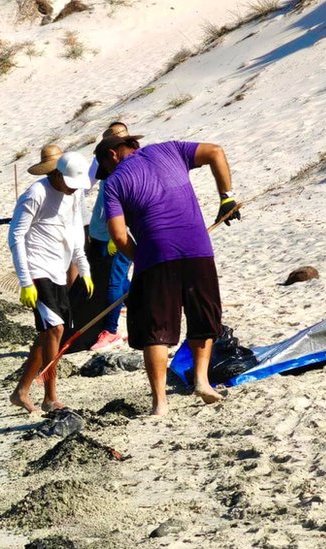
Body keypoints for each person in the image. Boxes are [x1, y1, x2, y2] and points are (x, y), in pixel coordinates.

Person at [95, 134, 241, 416]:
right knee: (204, 318)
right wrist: (227, 198)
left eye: (106, 166)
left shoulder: (113, 183)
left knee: (155, 331)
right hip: (197, 248)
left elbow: (117, 234)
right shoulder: (171, 149)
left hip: (156, 257)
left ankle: (160, 402)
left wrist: (141, 257)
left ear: (113, 155)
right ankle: (202, 382)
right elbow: (216, 151)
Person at [8, 147, 94, 413]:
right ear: (56, 174)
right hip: (37, 269)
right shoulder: (36, 193)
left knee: (50, 334)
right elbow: (16, 235)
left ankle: (21, 391)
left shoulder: (75, 191)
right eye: (68, 185)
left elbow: (76, 230)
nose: (71, 190)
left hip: (59, 269)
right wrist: (25, 281)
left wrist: (84, 266)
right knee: (56, 329)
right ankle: (50, 397)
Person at [87, 122, 141, 351]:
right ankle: (141, 320)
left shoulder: (131, 165)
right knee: (122, 282)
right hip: (102, 230)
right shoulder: (105, 163)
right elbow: (86, 186)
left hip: (116, 233)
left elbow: (130, 203)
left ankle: (111, 331)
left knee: (114, 281)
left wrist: (116, 235)